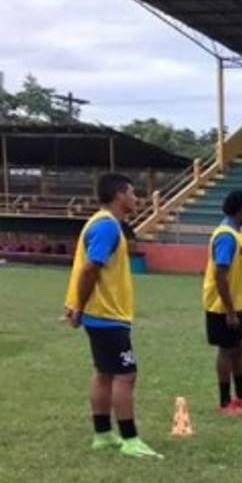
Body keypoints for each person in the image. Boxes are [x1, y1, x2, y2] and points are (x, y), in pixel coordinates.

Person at [63, 172, 161, 459]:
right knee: (125, 375)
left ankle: (103, 434)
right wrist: (79, 305)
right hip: (105, 313)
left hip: (102, 313)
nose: (135, 198)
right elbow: (90, 268)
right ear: (119, 195)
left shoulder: (104, 224)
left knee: (105, 373)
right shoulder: (106, 226)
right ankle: (130, 439)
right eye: (132, 193)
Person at [203, 190, 242, 415]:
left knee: (239, 347)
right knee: (226, 350)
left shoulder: (239, 234)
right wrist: (229, 311)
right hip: (223, 306)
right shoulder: (226, 236)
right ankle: (225, 402)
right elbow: (220, 274)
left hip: (240, 305)